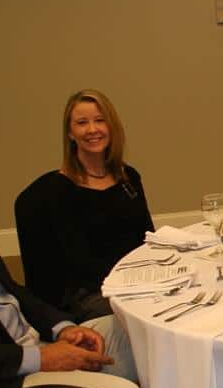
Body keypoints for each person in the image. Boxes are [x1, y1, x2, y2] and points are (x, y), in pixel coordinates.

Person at [23, 90, 154, 322]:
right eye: (82, 123)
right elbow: (80, 264)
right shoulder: (58, 190)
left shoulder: (128, 177)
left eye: (100, 120)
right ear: (70, 133)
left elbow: (147, 238)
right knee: (149, 316)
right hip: (89, 295)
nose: (92, 129)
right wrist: (131, 287)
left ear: (111, 126)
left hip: (136, 283)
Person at [0, 254, 142, 388]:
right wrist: (41, 358)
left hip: (37, 344)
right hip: (13, 381)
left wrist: (63, 328)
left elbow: (16, 293)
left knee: (138, 331)